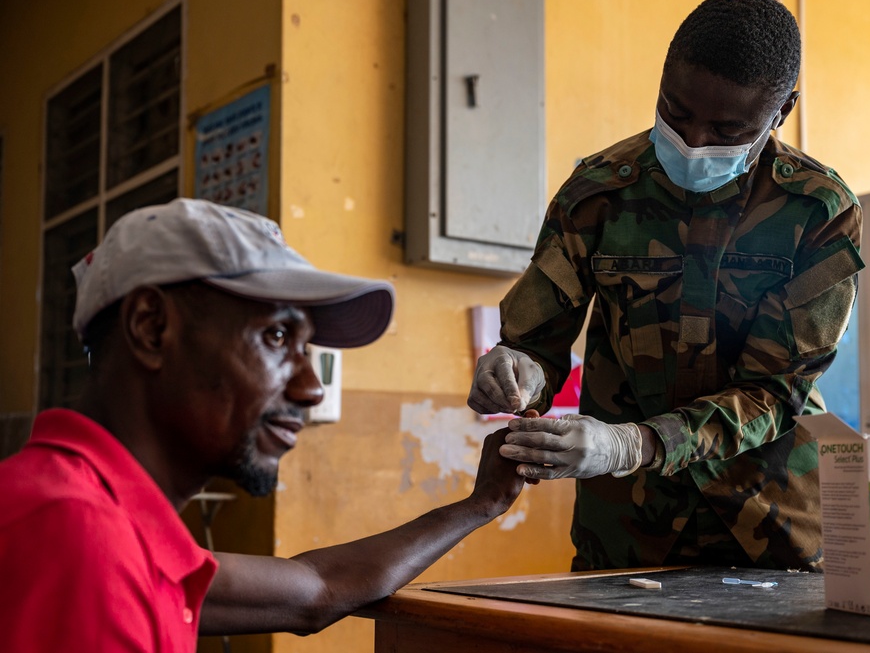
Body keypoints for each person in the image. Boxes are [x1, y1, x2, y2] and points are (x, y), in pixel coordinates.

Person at [0, 198, 524, 651]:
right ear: (151, 327)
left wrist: (482, 504)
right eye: (276, 338)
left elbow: (319, 589)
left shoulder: (114, 524)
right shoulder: (74, 536)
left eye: (306, 349)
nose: (310, 387)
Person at [468, 0, 863, 573]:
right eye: (675, 113)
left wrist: (632, 444)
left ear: (781, 112)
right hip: (626, 528)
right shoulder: (598, 193)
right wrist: (515, 368)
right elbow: (537, 341)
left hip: (770, 524)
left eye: (727, 128)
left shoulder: (817, 212)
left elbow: (776, 391)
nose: (693, 140)